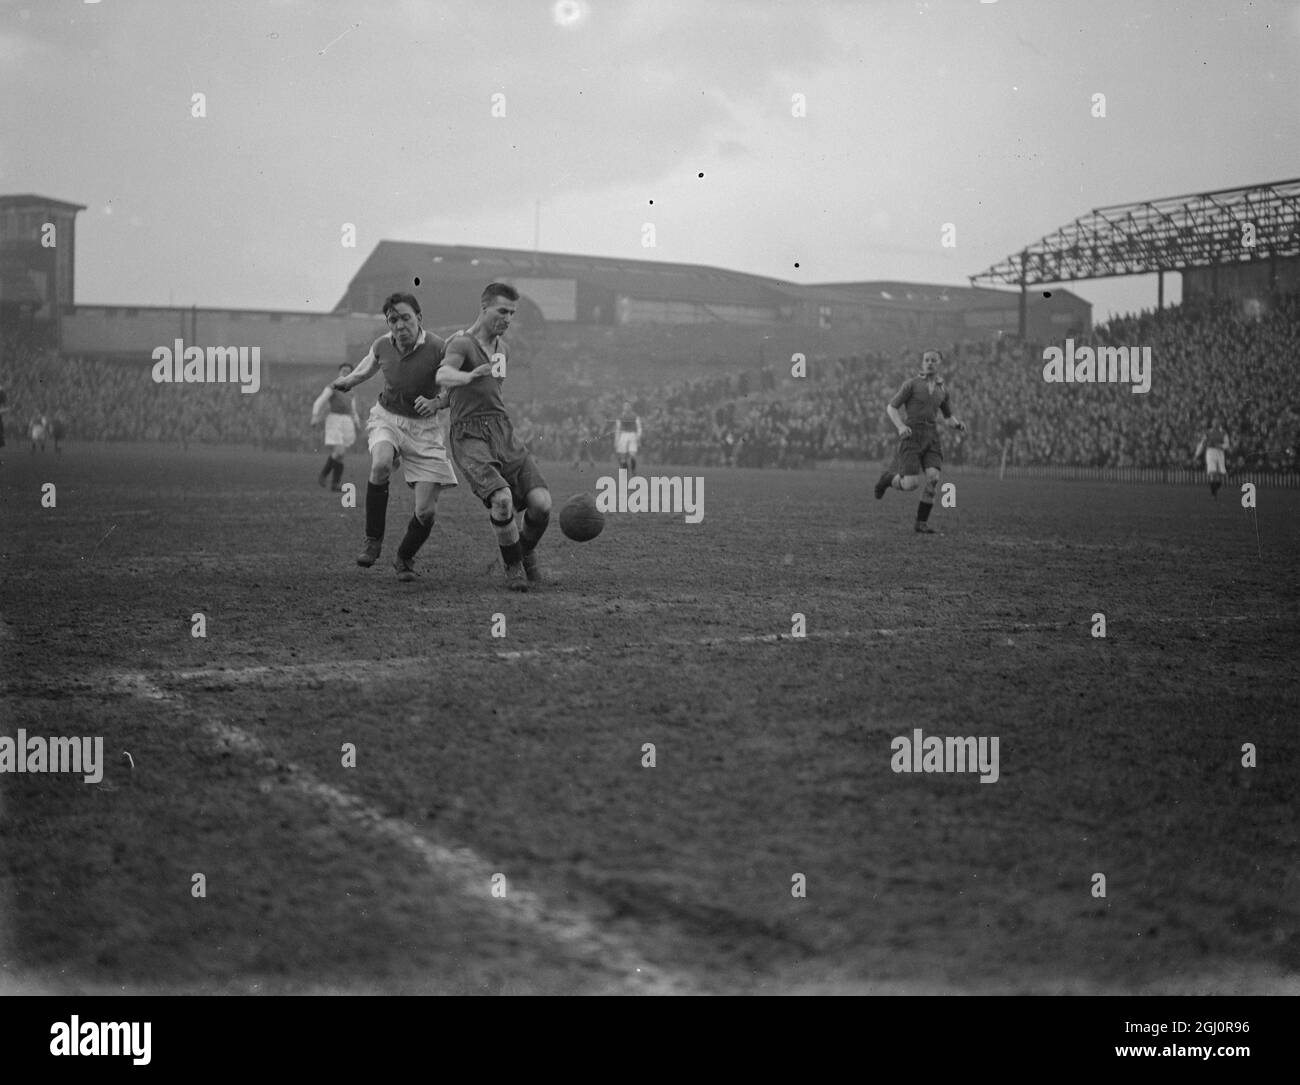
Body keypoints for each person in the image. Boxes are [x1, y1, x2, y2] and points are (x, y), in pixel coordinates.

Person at [331, 293, 457, 581]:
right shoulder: (382, 345)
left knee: (425, 512)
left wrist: (437, 402)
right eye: (393, 320)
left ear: (419, 318)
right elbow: (366, 366)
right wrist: (349, 381)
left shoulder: (439, 348)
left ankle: (404, 557)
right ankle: (373, 541)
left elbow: (454, 388)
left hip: (425, 431)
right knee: (381, 464)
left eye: (405, 318)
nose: (400, 325)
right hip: (387, 418)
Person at [438, 283, 552, 591]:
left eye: (513, 313)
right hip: (469, 433)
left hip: (502, 430)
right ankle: (513, 567)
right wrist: (466, 376)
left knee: (542, 504)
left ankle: (523, 551)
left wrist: (447, 397)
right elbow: (443, 376)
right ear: (484, 308)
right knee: (501, 500)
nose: (508, 318)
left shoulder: (505, 350)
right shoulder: (462, 344)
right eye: (502, 311)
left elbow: (487, 391)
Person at [873, 348, 966, 533]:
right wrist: (900, 426)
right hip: (912, 434)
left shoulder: (942, 389)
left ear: (939, 364)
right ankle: (887, 479)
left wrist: (957, 424)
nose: (929, 363)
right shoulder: (912, 384)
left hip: (931, 436)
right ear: (922, 363)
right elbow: (891, 408)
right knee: (911, 484)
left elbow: (947, 416)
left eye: (933, 360)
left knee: (934, 478)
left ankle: (921, 523)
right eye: (926, 360)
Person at [312, 363, 363, 491]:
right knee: (339, 451)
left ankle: (335, 484)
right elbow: (321, 400)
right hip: (334, 419)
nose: (345, 373)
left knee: (341, 454)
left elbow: (353, 410)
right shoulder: (332, 387)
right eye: (343, 371)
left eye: (348, 371)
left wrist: (357, 422)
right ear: (339, 372)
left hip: (346, 421)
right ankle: (324, 474)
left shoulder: (351, 390)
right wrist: (315, 415)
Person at [1193, 419, 1231, 498]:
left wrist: (1220, 446)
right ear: (1212, 424)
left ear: (1219, 424)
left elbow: (1227, 444)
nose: (1215, 424)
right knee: (1212, 472)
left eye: (1217, 423)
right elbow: (1202, 444)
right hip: (1210, 452)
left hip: (1220, 452)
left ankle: (1215, 489)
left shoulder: (1223, 433)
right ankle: (1213, 492)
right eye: (1214, 423)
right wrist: (1197, 455)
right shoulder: (1208, 433)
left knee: (1221, 473)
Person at [614, 400, 642, 472]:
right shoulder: (620, 417)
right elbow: (618, 429)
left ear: (631, 407)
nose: (626, 407)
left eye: (628, 406)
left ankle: (633, 469)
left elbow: (639, 427)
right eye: (625, 406)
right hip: (623, 435)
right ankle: (625, 468)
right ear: (623, 407)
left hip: (632, 435)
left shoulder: (635, 416)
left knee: (632, 454)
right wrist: (616, 440)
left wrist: (638, 436)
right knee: (623, 455)